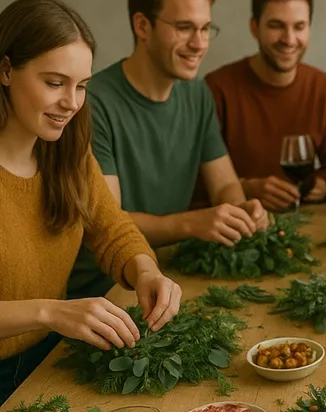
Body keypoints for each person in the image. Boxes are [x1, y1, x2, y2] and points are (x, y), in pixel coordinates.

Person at [0, 0, 182, 404]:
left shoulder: (67, 153)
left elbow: (113, 228)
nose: (71, 102)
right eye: (54, 83)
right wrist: (51, 312)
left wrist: (146, 271)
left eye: (81, 86)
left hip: (48, 361)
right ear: (6, 70)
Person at [66, 0, 268, 300]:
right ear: (142, 26)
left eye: (205, 29)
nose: (199, 44)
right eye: (184, 28)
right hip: (104, 292)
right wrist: (190, 223)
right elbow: (109, 223)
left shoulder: (197, 94)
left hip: (172, 275)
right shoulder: (92, 104)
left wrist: (239, 212)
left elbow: (225, 184)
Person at [201, 0, 326, 212]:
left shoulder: (323, 87)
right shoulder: (217, 87)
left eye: (299, 27)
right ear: (254, 28)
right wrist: (247, 188)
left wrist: (320, 186)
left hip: (306, 222)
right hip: (241, 223)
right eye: (276, 26)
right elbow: (194, 181)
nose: (289, 39)